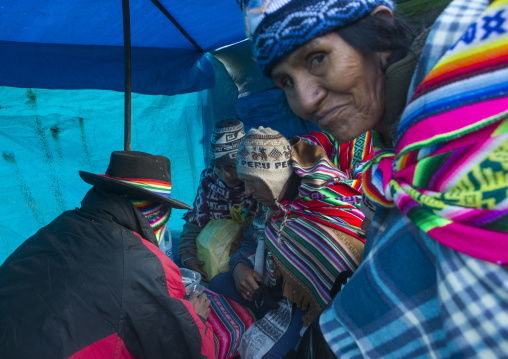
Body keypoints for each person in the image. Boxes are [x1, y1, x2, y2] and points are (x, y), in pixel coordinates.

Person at [238, 0, 508, 357]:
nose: (304, 100)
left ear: (380, 31)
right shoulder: (395, 151)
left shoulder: (469, 118)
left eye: (317, 58)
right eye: (285, 81)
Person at [0, 151, 215, 358]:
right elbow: (187, 349)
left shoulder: (63, 223)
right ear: (155, 214)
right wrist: (195, 318)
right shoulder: (144, 262)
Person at [210, 126, 369, 358]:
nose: (246, 191)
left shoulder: (325, 205)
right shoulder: (271, 207)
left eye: (253, 181)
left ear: (273, 176)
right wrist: (238, 267)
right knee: (217, 285)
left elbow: (345, 264)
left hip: (312, 309)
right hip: (277, 294)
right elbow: (248, 244)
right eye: (245, 181)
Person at [178, 119, 258, 280]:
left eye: (231, 167)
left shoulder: (257, 185)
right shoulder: (209, 183)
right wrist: (188, 256)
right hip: (211, 265)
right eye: (218, 167)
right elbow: (195, 222)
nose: (224, 175)